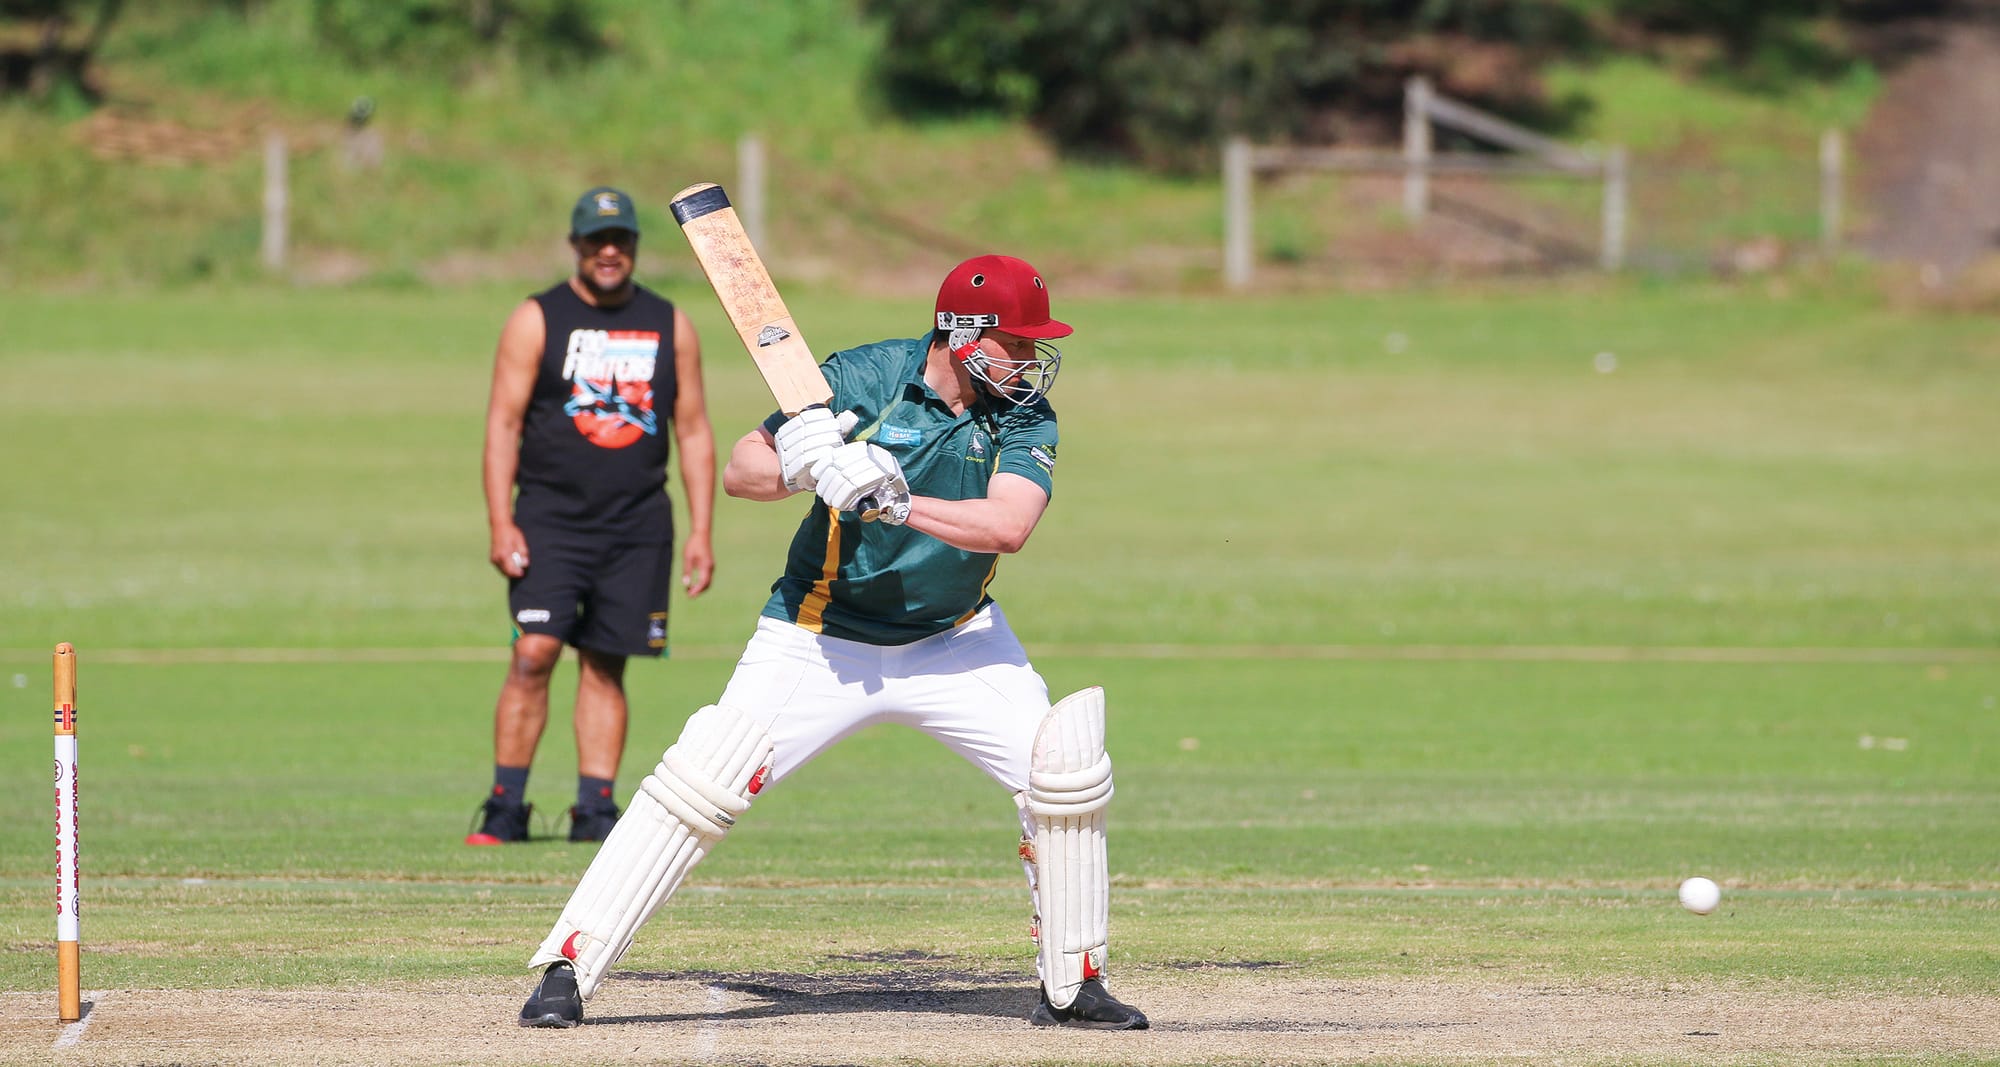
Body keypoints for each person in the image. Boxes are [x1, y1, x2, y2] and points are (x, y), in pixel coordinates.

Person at [513, 254, 1148, 1030]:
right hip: (817, 636)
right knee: (706, 772)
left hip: (956, 640)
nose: (1027, 361)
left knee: (1064, 769)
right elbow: (742, 469)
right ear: (960, 333)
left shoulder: (1023, 416)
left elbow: (1008, 525)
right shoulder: (865, 379)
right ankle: (569, 965)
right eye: (1014, 343)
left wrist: (896, 502)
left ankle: (1076, 982)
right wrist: (806, 467)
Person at [468, 186, 717, 846]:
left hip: (637, 526)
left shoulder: (670, 324)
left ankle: (595, 808)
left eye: (620, 240)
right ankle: (505, 805)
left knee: (607, 662)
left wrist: (701, 531)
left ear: (634, 245)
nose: (609, 252)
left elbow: (693, 430)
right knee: (534, 652)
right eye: (596, 240)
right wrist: (500, 521)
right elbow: (502, 425)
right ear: (575, 245)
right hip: (549, 519)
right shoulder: (537, 318)